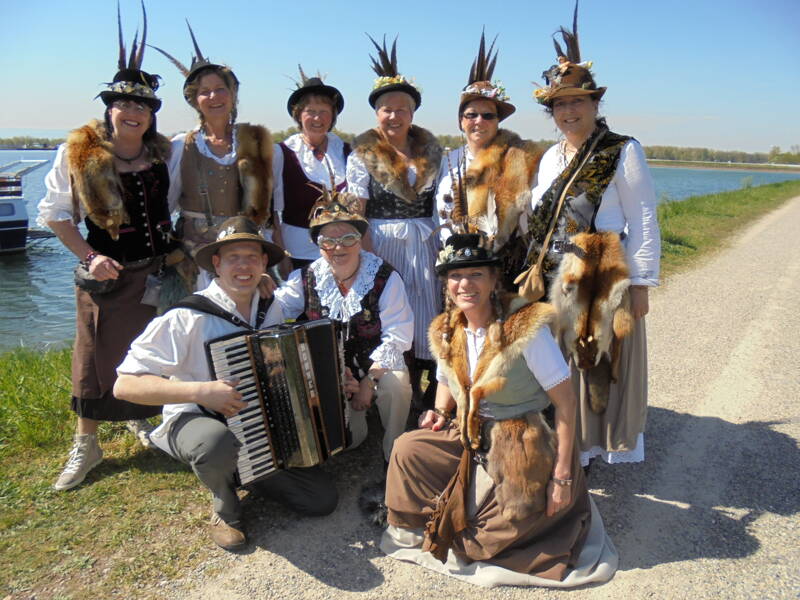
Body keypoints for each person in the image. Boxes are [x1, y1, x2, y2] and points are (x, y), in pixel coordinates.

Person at [380, 233, 617, 586]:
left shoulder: (525, 330)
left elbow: (567, 405)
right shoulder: (447, 329)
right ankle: (445, 509)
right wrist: (440, 412)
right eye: (456, 276)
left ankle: (485, 513)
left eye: (476, 274)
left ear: (493, 280)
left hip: (521, 439)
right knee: (407, 449)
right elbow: (446, 378)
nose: (465, 284)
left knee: (479, 544)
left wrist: (562, 477)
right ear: (446, 284)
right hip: (470, 434)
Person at [113, 217, 338, 550]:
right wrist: (201, 391)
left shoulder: (269, 306)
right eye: (234, 257)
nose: (243, 265)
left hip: (255, 424)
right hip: (196, 418)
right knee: (214, 442)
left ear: (264, 263)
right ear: (216, 264)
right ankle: (224, 504)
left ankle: (245, 469)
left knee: (322, 500)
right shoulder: (187, 316)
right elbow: (125, 385)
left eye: (252, 257)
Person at [38, 6, 179, 491]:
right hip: (105, 275)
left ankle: (141, 419)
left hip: (157, 273)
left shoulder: (163, 155)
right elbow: (56, 215)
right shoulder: (77, 155)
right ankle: (87, 443)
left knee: (147, 354)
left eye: (142, 106)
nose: (133, 112)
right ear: (109, 108)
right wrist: (90, 257)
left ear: (151, 115)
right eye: (123, 104)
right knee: (93, 358)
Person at [527, 3, 660, 468]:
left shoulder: (623, 151)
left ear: (594, 104)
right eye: (559, 104)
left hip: (604, 271)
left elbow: (643, 219)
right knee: (560, 360)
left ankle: (595, 444)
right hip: (558, 272)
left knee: (599, 360)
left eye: (576, 102)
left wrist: (641, 283)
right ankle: (568, 445)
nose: (567, 110)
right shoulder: (549, 158)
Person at [274, 191, 413, 464]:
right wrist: (260, 287)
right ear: (318, 245)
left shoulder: (384, 276)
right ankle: (350, 422)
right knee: (352, 440)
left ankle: (394, 453)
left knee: (396, 385)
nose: (339, 247)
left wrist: (367, 382)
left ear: (360, 241)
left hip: (374, 367)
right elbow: (274, 312)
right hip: (328, 374)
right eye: (328, 241)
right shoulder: (307, 278)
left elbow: (398, 335)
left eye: (348, 238)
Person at [346, 35, 442, 407]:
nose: (394, 115)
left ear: (412, 113)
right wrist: (370, 260)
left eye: (402, 109)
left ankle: (431, 389)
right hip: (383, 241)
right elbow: (358, 211)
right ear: (376, 113)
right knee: (392, 309)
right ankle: (398, 390)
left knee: (426, 309)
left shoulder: (431, 152)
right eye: (387, 109)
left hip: (425, 240)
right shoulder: (363, 155)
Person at [152, 24, 273, 290]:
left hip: (245, 254)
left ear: (233, 95)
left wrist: (275, 258)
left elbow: (272, 209)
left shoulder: (256, 143)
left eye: (221, 89)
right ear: (195, 100)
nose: (214, 96)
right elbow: (166, 206)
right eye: (204, 91)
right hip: (195, 260)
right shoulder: (179, 146)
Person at [436, 32, 542, 289]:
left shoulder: (519, 160)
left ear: (498, 121)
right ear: (461, 120)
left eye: (488, 115)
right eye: (471, 114)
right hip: (457, 272)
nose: (479, 121)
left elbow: (533, 219)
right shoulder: (449, 160)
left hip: (503, 271)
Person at [271, 67, 350, 276]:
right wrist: (281, 254)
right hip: (298, 253)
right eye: (311, 112)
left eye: (324, 111)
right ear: (298, 115)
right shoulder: (282, 153)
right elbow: (273, 213)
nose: (317, 118)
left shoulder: (346, 151)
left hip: (342, 252)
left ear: (333, 116)